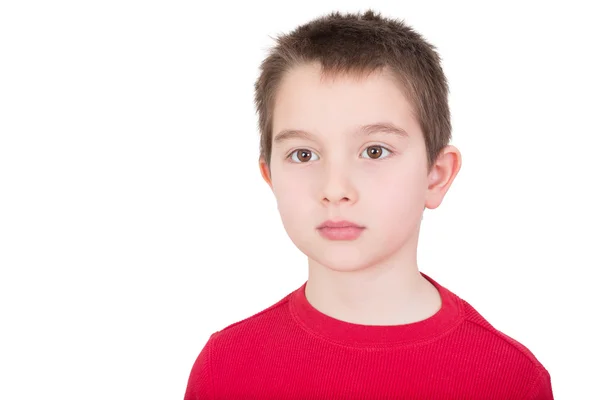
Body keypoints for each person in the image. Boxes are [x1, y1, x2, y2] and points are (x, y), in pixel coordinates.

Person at [184, 9, 553, 399]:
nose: (335, 188)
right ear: (270, 176)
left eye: (375, 151)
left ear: (437, 175)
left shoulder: (508, 379)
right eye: (304, 155)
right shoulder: (225, 367)